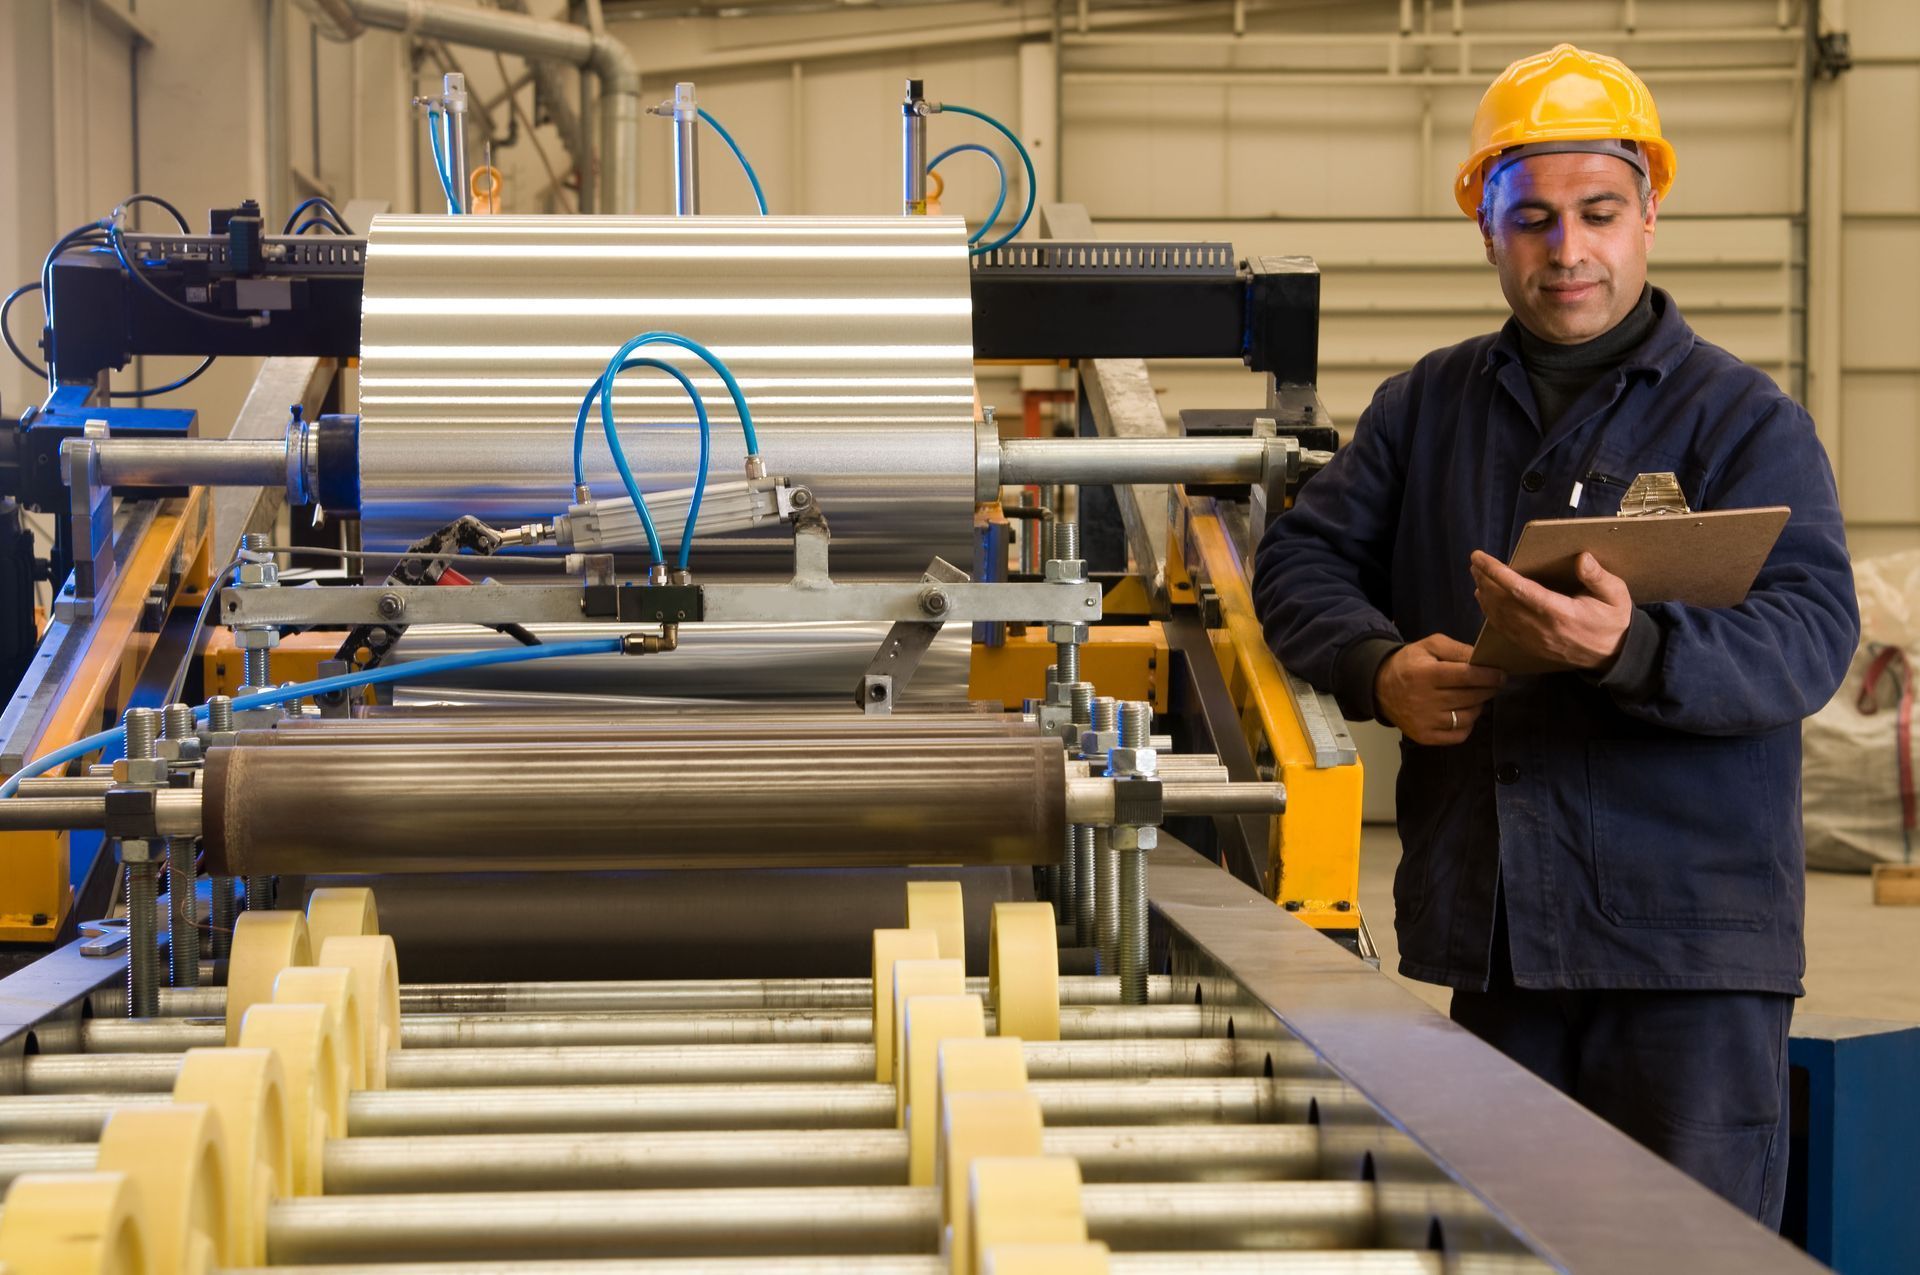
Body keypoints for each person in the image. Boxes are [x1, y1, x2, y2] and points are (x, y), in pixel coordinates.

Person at [1251, 43, 1858, 1226]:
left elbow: (1808, 634)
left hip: (1689, 951)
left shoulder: (1743, 419)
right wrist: (1376, 669)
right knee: (1505, 1245)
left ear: (1649, 214)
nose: (1566, 250)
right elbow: (1301, 559)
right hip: (1503, 942)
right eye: (1530, 219)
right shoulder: (1425, 405)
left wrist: (1634, 650)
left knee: (1682, 1252)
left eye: (1598, 213)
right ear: (1486, 229)